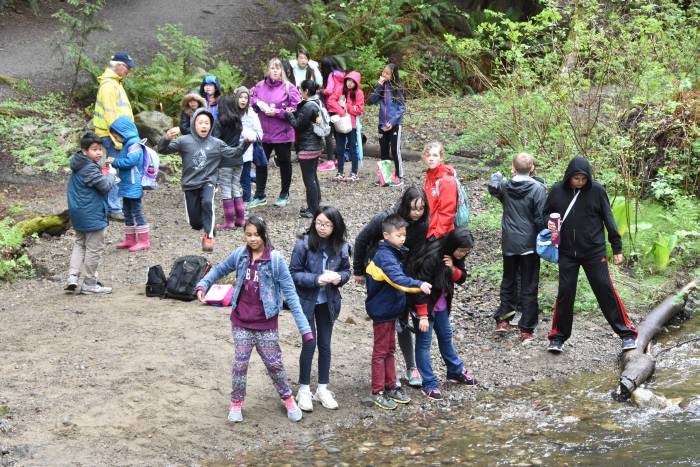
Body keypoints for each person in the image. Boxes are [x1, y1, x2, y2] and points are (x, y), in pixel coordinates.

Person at [195, 216, 313, 423]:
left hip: (266, 325)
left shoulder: (275, 260)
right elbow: (220, 269)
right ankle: (236, 404)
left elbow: (291, 296)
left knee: (274, 364)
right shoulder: (240, 255)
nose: (252, 239)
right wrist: (203, 284)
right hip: (241, 322)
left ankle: (287, 398)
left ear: (265, 234)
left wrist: (305, 329)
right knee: (240, 365)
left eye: (256, 234)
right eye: (248, 235)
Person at [543, 156, 638, 353]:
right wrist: (550, 223)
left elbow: (608, 219)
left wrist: (617, 248)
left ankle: (626, 334)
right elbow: (545, 213)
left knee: (605, 289)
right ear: (569, 176)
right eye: (576, 178)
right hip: (567, 251)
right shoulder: (557, 191)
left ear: (588, 178)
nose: (579, 182)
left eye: (583, 179)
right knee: (565, 293)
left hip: (594, 251)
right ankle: (558, 338)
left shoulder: (597, 191)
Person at [353, 187, 429, 387]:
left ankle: (409, 367)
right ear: (404, 205)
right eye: (413, 208)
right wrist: (358, 270)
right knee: (386, 319)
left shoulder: (422, 225)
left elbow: (417, 253)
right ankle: (384, 380)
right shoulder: (385, 219)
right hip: (380, 273)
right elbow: (361, 239)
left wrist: (414, 280)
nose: (417, 213)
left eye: (421, 209)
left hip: (406, 273)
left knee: (401, 318)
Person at [158, 108, 253, 252]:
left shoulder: (216, 143)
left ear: (211, 125)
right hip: (190, 184)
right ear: (193, 124)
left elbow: (234, 154)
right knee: (195, 223)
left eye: (207, 123)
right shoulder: (184, 141)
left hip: (208, 181)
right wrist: (166, 138)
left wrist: (246, 142)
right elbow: (162, 150)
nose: (204, 126)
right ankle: (209, 225)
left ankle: (209, 235)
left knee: (208, 202)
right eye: (200, 122)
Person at [364, 214, 432, 410]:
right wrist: (419, 284)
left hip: (392, 310)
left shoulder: (394, 252)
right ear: (386, 235)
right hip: (382, 311)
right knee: (380, 351)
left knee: (390, 350)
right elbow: (397, 279)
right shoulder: (384, 256)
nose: (402, 238)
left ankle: (391, 385)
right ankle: (378, 391)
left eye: (404, 235)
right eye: (398, 235)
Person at [289, 206, 351, 412]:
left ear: (335, 226)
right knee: (309, 343)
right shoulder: (303, 244)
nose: (322, 228)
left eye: (327, 225)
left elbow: (347, 270)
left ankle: (322, 388)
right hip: (307, 301)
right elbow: (294, 274)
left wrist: (339, 278)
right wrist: (316, 279)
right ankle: (304, 389)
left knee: (325, 345)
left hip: (329, 302)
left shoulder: (341, 246)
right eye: (319, 223)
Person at [407, 228, 478, 400]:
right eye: (461, 251)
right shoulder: (432, 257)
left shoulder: (453, 257)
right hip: (423, 305)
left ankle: (455, 371)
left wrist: (453, 268)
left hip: (441, 304)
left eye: (466, 252)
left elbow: (462, 278)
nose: (463, 254)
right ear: (452, 245)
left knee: (446, 336)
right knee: (424, 343)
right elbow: (420, 289)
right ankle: (429, 383)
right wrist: (422, 315)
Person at [487, 152, 546, 342]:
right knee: (529, 284)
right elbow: (540, 218)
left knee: (509, 281)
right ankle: (526, 329)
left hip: (510, 242)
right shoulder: (538, 189)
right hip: (529, 244)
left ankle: (503, 320)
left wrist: (496, 177)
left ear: (513, 167)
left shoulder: (504, 185)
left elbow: (494, 189)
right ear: (532, 168)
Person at [65, 132, 118, 294]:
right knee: (94, 248)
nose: (99, 153)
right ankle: (89, 283)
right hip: (91, 212)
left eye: (100, 149)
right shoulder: (88, 167)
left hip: (77, 211)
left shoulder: (79, 163)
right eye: (94, 149)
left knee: (80, 243)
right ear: (84, 151)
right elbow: (104, 186)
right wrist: (111, 175)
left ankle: (73, 276)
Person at [249, 58, 302, 208]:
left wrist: (278, 112)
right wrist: (257, 103)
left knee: (284, 163)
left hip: (283, 133)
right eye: (272, 68)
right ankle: (260, 195)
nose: (275, 71)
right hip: (263, 133)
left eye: (278, 68)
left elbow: (296, 108)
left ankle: (284, 194)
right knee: (260, 163)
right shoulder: (259, 86)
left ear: (282, 71)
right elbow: (249, 98)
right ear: (268, 70)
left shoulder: (289, 88)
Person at [93, 52, 135, 222]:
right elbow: (111, 116)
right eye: (127, 67)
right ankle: (113, 207)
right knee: (113, 171)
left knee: (112, 170)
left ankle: (111, 206)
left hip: (114, 136)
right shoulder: (110, 85)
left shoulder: (114, 83)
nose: (128, 72)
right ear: (118, 65)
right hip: (112, 137)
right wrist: (119, 139)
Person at [212, 95, 253, 230]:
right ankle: (240, 219)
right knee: (236, 187)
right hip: (238, 158)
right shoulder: (238, 121)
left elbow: (215, 142)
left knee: (226, 189)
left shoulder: (219, 122)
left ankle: (229, 222)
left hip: (225, 161)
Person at [109, 116, 150, 252]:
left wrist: (114, 161)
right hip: (127, 183)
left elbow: (130, 162)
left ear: (123, 132)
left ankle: (144, 240)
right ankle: (130, 239)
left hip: (133, 183)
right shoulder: (127, 144)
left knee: (136, 211)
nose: (117, 139)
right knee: (126, 211)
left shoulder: (134, 143)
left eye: (117, 136)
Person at [285, 79, 323, 218]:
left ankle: (313, 210)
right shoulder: (316, 102)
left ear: (306, 91)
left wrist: (288, 114)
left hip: (308, 146)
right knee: (313, 176)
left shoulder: (308, 106)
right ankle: (316, 205)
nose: (299, 91)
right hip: (315, 145)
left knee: (309, 179)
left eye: (301, 89)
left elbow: (298, 125)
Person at [369, 63, 406, 187]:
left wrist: (393, 122)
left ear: (393, 75)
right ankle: (385, 177)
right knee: (384, 151)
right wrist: (379, 84)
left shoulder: (397, 88)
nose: (384, 75)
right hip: (382, 124)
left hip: (394, 124)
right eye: (383, 72)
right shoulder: (381, 86)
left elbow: (401, 108)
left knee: (395, 151)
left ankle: (400, 176)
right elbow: (373, 100)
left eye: (387, 73)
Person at [326, 71, 364, 182]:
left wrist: (346, 106)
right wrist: (341, 110)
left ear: (356, 83)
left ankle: (354, 173)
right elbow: (331, 100)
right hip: (340, 122)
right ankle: (340, 172)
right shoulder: (340, 89)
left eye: (353, 82)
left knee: (353, 148)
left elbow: (359, 109)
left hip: (351, 124)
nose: (350, 83)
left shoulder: (359, 93)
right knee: (339, 148)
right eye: (348, 80)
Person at [233, 86, 264, 214]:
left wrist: (249, 136)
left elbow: (260, 134)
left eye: (246, 97)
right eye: (241, 97)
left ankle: (245, 206)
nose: (243, 100)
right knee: (232, 181)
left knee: (245, 179)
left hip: (245, 153)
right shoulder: (231, 113)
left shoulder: (251, 114)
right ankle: (233, 206)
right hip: (231, 153)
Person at [423, 141, 457, 240]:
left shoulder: (446, 179)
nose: (431, 158)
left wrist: (437, 233)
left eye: (435, 155)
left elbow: (448, 211)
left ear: (441, 158)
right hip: (429, 227)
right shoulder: (430, 175)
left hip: (440, 232)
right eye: (428, 155)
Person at [317, 56, 345, 172]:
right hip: (340, 107)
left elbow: (329, 90)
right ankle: (338, 159)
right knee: (338, 134)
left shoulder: (331, 75)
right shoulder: (342, 75)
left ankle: (329, 161)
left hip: (331, 106)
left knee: (328, 134)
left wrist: (320, 91)